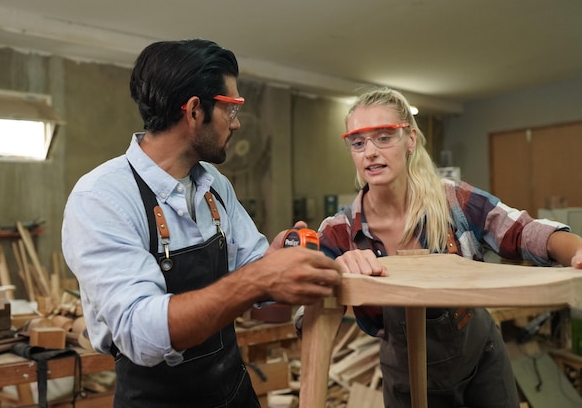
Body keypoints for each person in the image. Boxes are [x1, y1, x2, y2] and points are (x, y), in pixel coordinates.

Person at [61, 39, 342, 408]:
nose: (237, 123)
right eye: (231, 109)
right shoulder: (102, 197)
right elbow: (141, 333)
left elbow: (253, 266)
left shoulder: (212, 183)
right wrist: (261, 278)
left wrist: (276, 260)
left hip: (233, 391)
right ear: (195, 111)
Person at [316, 86, 582, 408]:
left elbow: (523, 231)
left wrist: (576, 249)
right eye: (358, 143)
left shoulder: (453, 201)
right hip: (407, 377)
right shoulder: (339, 233)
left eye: (384, 137)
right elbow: (308, 310)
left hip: (481, 358)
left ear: (410, 139)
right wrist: (335, 271)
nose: (370, 151)